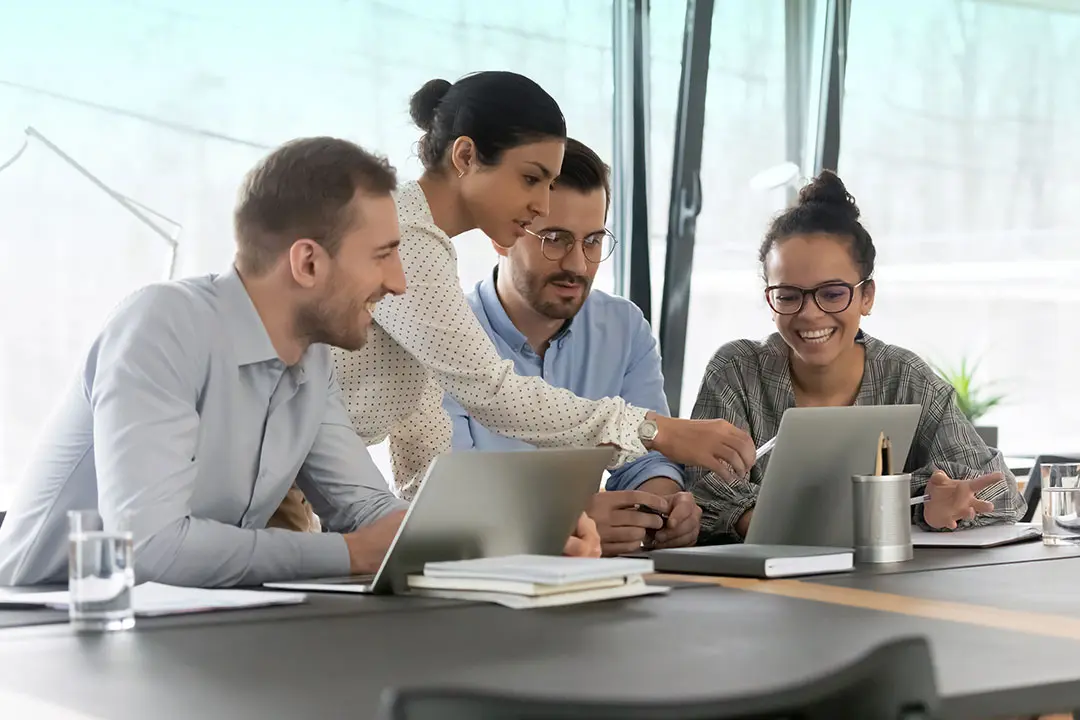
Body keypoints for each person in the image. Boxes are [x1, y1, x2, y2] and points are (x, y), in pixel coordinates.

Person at [0, 137, 599, 588]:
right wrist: (350, 554)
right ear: (308, 264)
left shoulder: (309, 362)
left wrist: (513, 539)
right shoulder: (163, 326)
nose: (397, 283)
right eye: (385, 255)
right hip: (42, 632)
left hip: (173, 629)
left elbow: (366, 510)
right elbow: (150, 545)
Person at [326, 71, 754, 504]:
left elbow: (423, 439)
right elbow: (492, 392)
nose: (542, 205)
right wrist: (655, 430)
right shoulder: (406, 238)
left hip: (306, 479)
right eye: (532, 179)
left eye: (549, 184)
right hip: (273, 476)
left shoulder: (427, 248)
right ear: (466, 156)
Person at [687, 170, 1026, 544]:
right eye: (787, 295)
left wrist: (936, 501)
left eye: (832, 294)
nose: (810, 314)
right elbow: (703, 491)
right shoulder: (737, 371)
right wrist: (896, 499)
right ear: (770, 299)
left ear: (867, 297)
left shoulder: (905, 377)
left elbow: (1001, 491)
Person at [443, 138, 701, 556]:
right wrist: (566, 520)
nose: (578, 265)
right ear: (502, 236)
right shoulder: (447, 334)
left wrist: (661, 508)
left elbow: (644, 458)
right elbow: (448, 496)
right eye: (555, 239)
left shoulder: (624, 328)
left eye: (593, 240)